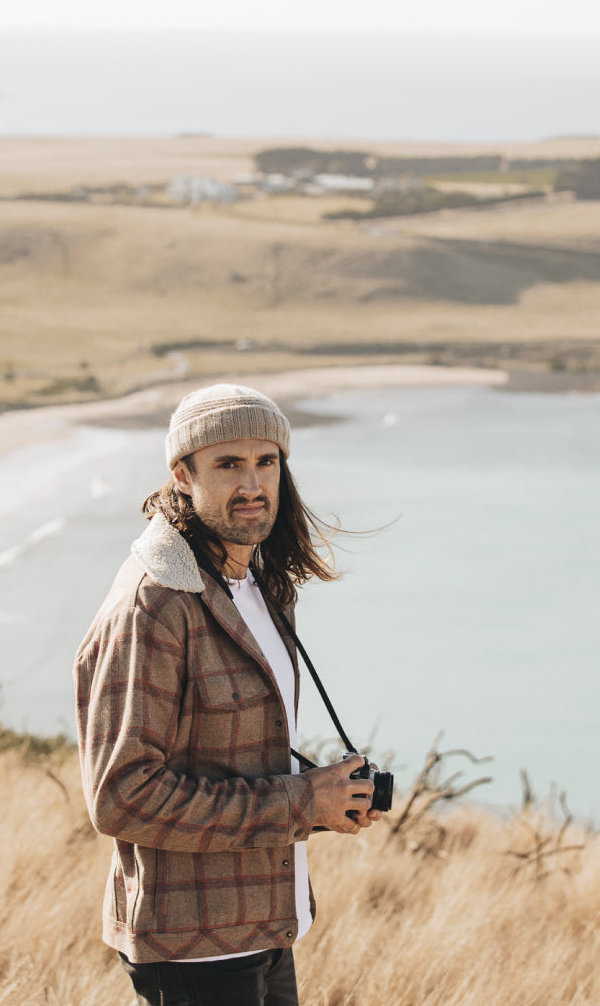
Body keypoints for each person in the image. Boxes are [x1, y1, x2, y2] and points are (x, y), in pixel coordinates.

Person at [73, 383, 382, 1006]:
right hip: (194, 946)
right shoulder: (153, 606)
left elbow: (235, 754)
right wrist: (299, 803)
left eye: (266, 462)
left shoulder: (257, 584)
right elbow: (121, 797)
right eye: (228, 464)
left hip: (265, 924)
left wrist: (327, 798)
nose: (253, 484)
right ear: (183, 474)